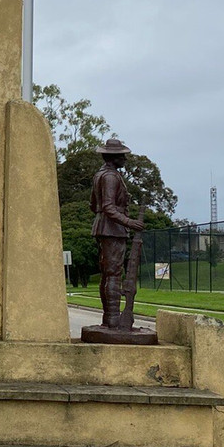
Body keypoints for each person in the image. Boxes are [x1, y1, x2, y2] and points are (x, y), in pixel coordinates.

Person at [90, 138, 145, 328]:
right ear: (114, 158)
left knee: (108, 274)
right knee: (113, 274)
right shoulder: (111, 177)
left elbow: (93, 206)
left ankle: (109, 318)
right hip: (112, 229)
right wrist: (130, 223)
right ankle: (114, 319)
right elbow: (107, 207)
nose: (125, 158)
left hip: (105, 227)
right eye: (122, 155)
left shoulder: (101, 175)